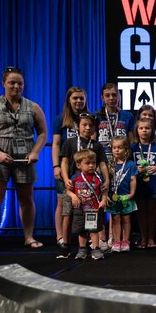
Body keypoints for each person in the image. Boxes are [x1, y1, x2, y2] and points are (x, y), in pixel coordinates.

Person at [0, 66, 48, 255]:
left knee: (26, 197)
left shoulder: (33, 107)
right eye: (12, 82)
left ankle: (29, 237)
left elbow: (42, 133)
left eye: (20, 83)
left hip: (25, 156)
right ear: (4, 84)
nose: (16, 86)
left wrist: (35, 152)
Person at [58, 113, 110, 258]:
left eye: (91, 125)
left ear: (95, 128)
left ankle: (93, 246)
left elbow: (102, 164)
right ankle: (66, 245)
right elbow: (64, 162)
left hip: (91, 189)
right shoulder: (70, 142)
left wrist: (106, 180)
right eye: (84, 125)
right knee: (67, 215)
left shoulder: (97, 145)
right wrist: (66, 177)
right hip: (73, 186)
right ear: (77, 126)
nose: (87, 128)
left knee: (92, 218)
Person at [52, 87, 88, 249]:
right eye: (75, 98)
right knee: (62, 202)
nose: (78, 101)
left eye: (81, 98)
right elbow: (56, 144)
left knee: (87, 203)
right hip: (67, 168)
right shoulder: (60, 120)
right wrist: (56, 166)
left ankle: (85, 235)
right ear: (69, 100)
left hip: (86, 168)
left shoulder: (89, 118)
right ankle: (60, 237)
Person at [66, 150, 108, 260]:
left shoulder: (98, 177)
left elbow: (104, 191)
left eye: (93, 163)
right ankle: (82, 249)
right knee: (82, 230)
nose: (91, 166)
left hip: (93, 209)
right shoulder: (75, 177)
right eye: (87, 163)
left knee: (93, 230)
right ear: (78, 165)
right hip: (79, 209)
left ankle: (96, 248)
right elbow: (68, 191)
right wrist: (73, 196)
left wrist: (103, 200)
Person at [131, 117, 156, 249]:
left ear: (152, 131)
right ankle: (143, 238)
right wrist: (136, 169)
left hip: (154, 183)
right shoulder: (133, 147)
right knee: (141, 213)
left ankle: (151, 237)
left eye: (147, 128)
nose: (144, 131)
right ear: (137, 130)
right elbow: (127, 164)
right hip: (138, 185)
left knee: (152, 212)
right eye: (141, 128)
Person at [107, 136, 137, 252]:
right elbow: (106, 181)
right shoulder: (110, 165)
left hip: (126, 196)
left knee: (126, 219)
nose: (117, 150)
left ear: (126, 149)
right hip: (113, 197)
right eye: (114, 147)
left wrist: (132, 194)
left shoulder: (131, 164)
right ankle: (116, 241)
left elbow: (133, 180)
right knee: (115, 219)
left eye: (119, 147)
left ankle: (125, 240)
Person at [95, 83, 135, 162]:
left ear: (119, 96)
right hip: (102, 159)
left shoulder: (128, 116)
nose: (111, 98)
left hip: (122, 159)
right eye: (107, 95)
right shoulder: (96, 116)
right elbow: (93, 140)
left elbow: (131, 141)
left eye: (114, 95)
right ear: (102, 98)